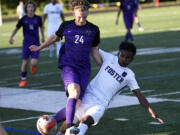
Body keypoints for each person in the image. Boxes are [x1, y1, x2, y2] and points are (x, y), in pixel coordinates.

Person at [56, 42, 164, 135]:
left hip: (100, 104)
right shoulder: (109, 58)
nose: (124, 59)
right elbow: (94, 48)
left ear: (132, 59)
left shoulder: (130, 75)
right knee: (66, 125)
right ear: (118, 53)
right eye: (122, 55)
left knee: (86, 121)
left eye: (128, 57)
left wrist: (151, 112)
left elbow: (140, 96)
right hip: (86, 96)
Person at [29, 0, 101, 134]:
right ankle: (69, 126)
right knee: (74, 91)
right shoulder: (66, 26)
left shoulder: (93, 29)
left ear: (87, 13)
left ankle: (54, 123)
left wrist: (103, 67)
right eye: (79, 16)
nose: (81, 19)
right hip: (69, 66)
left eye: (84, 16)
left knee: (77, 104)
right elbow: (53, 38)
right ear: (73, 12)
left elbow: (94, 50)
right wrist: (40, 47)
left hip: (84, 70)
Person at [9, 0, 45, 87]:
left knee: (33, 63)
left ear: (34, 8)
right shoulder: (23, 19)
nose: (31, 9)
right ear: (26, 8)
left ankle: (33, 67)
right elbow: (16, 28)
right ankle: (23, 80)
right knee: (24, 62)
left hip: (36, 44)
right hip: (26, 44)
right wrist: (11, 37)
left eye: (32, 7)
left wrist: (43, 36)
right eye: (29, 7)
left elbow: (42, 27)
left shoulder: (38, 18)